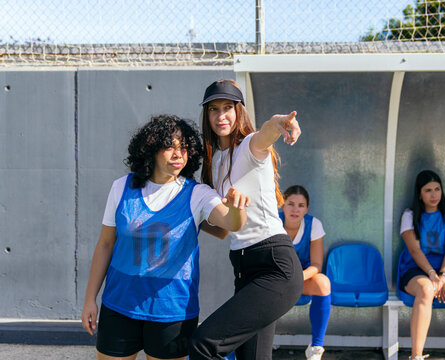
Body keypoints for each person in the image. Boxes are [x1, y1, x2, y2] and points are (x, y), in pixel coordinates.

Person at [81, 115, 250, 360]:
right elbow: (106, 244)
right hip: (119, 305)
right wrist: (89, 299)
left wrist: (237, 208)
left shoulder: (197, 194)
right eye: (170, 146)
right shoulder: (121, 187)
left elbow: (232, 223)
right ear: (150, 148)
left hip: (172, 311)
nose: (178, 154)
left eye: (184, 148)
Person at [188, 79, 304, 360]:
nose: (221, 116)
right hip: (243, 267)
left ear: (239, 111)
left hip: (275, 265)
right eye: (214, 109)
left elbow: (266, 133)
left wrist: (279, 122)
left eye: (228, 107)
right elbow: (224, 230)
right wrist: (187, 219)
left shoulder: (250, 147)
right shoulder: (214, 162)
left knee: (204, 345)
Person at [399, 170, 445, 360]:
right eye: (428, 190)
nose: (434, 195)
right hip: (416, 268)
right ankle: (416, 355)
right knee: (426, 290)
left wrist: (442, 276)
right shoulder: (409, 216)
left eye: (437, 189)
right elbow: (415, 251)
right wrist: (432, 274)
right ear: (419, 193)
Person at [280, 185, 331, 360]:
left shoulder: (314, 225)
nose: (295, 209)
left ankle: (316, 348)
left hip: (301, 279)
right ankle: (240, 347)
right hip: (275, 280)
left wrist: (297, 278)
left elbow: (316, 265)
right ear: (282, 205)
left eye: (301, 205)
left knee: (323, 283)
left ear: (306, 209)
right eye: (291, 204)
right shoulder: (273, 223)